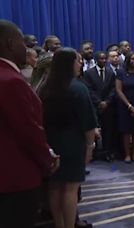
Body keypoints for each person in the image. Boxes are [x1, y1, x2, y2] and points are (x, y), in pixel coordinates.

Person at [0, 19, 59, 228]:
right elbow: (27, 130)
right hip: (15, 176)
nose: (26, 48)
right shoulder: (11, 81)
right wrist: (47, 158)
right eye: (21, 42)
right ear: (9, 43)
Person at [39, 47, 97, 228]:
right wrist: (90, 145)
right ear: (69, 63)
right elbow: (88, 122)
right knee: (71, 188)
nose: (80, 64)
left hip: (51, 143)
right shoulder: (78, 88)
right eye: (78, 60)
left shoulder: (45, 87)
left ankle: (59, 224)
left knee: (55, 186)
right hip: (73, 144)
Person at [84, 51, 116, 161]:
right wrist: (99, 102)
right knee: (94, 130)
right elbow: (89, 89)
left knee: (108, 130)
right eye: (101, 59)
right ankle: (94, 152)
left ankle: (107, 152)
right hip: (94, 106)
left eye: (104, 59)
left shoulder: (110, 73)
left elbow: (113, 89)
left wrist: (106, 102)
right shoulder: (89, 73)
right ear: (96, 60)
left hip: (108, 106)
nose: (103, 61)